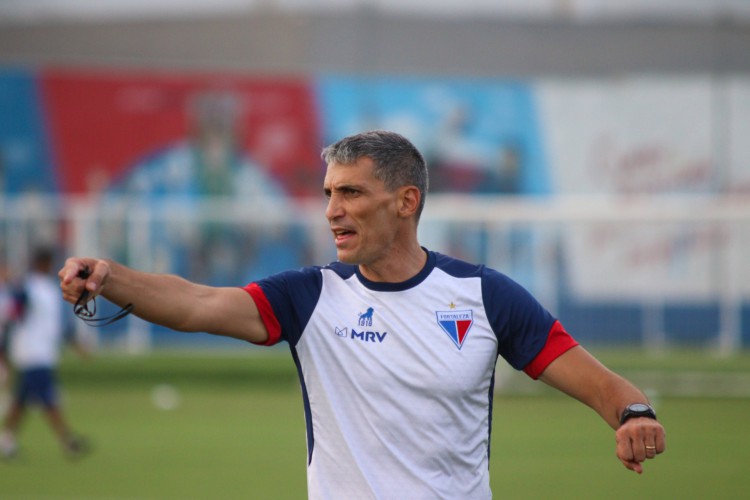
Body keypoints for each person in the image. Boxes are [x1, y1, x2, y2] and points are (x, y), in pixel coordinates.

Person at [58, 131, 665, 498]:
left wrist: (633, 415)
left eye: (350, 192)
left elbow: (601, 383)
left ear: (406, 202)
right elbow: (197, 303)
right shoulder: (308, 295)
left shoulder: (485, 295)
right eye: (328, 193)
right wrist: (112, 276)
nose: (332, 210)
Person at [1, 247, 89, 460]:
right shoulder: (27, 288)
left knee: (21, 400)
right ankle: (67, 440)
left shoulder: (49, 288)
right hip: (32, 352)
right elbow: (12, 316)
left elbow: (55, 323)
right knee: (48, 397)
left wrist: (73, 343)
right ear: (44, 263)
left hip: (43, 351)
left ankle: (6, 440)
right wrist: (3, 349)